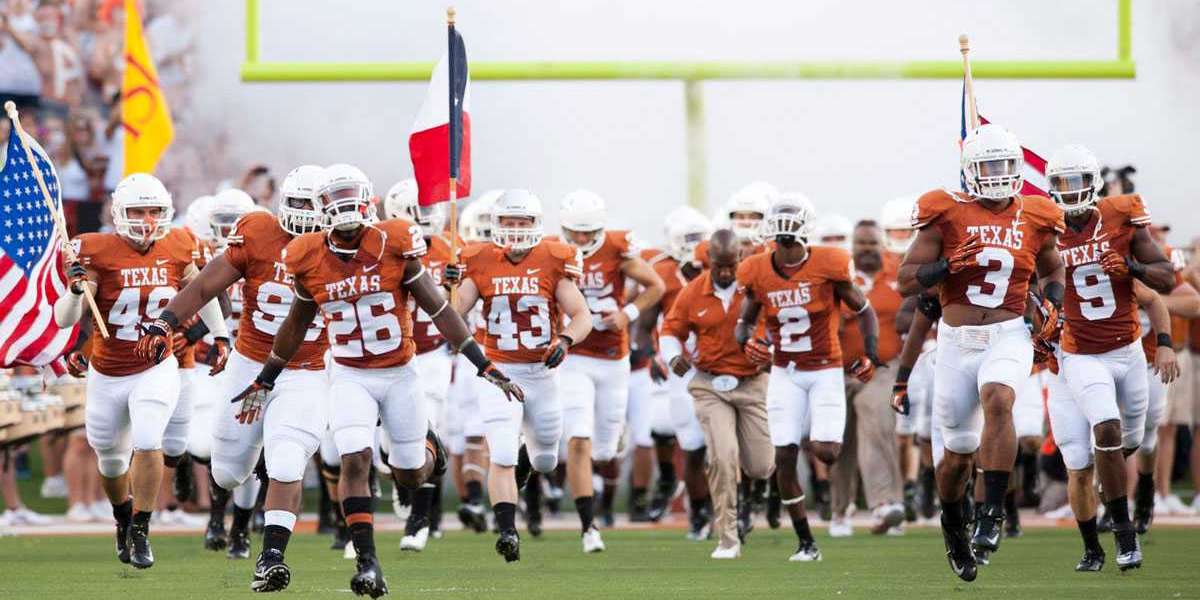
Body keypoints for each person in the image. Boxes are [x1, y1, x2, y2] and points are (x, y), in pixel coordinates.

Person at [225, 165, 519, 596]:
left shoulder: (394, 242)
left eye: (350, 196)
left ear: (368, 201)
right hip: (348, 374)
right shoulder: (307, 254)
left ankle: (428, 447)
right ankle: (367, 562)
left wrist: (482, 363)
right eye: (335, 197)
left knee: (410, 475)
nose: (344, 206)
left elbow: (439, 310)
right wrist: (266, 378)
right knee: (355, 459)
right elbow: (294, 325)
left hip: (399, 373)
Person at [134, 166, 329, 591]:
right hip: (248, 361)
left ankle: (272, 556)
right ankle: (246, 466)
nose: (306, 214)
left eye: (314, 205)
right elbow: (205, 286)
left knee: (288, 456)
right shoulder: (257, 232)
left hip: (308, 369)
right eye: (298, 203)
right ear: (282, 204)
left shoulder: (346, 245)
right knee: (226, 471)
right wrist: (166, 321)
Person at [897, 123, 1066, 582]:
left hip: (1009, 331)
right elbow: (905, 279)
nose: (998, 174)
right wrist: (950, 264)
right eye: (989, 165)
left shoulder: (1035, 214)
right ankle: (953, 524)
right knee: (956, 455)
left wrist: (1055, 303)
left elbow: (1054, 267)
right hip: (957, 339)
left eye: (1006, 165)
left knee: (1000, 399)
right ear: (971, 169)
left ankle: (992, 511)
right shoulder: (946, 212)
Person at [55, 173, 229, 569]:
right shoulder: (97, 250)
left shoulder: (179, 243)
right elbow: (65, 319)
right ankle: (122, 516)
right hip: (108, 371)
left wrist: (220, 336)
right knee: (111, 461)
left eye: (154, 211)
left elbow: (200, 291)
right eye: (138, 211)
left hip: (155, 364)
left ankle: (141, 528)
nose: (147, 220)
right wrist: (75, 291)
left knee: (149, 439)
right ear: (119, 213)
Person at [1041, 144, 1177, 572]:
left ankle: (1128, 507)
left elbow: (1166, 278)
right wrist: (1041, 316)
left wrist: (1131, 267)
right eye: (1062, 183)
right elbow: (1031, 280)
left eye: (1077, 181)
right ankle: (1122, 534)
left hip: (1128, 348)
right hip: (1080, 352)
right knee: (1105, 428)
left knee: (1128, 441)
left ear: (1094, 182)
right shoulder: (1045, 228)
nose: (1071, 191)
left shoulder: (1122, 216)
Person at [446, 189, 593, 562]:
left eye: (521, 222)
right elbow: (454, 314)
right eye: (507, 222)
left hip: (541, 373)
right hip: (498, 370)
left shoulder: (553, 259)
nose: (514, 229)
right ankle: (508, 530)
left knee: (545, 457)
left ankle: (530, 465)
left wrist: (565, 339)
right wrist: (449, 288)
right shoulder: (478, 260)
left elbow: (582, 314)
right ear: (495, 225)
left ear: (535, 225)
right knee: (502, 450)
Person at [736, 194, 881, 561]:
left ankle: (820, 497)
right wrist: (747, 344)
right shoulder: (757, 269)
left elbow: (866, 312)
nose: (784, 236)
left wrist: (871, 354)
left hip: (825, 370)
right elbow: (744, 322)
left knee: (827, 452)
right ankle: (806, 542)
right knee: (783, 454)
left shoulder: (829, 264)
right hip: (784, 370)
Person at [554, 189, 664, 550]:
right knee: (579, 437)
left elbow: (655, 285)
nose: (582, 240)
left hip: (613, 358)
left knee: (604, 449)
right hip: (574, 356)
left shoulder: (617, 247)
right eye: (576, 232)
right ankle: (589, 527)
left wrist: (627, 314)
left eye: (588, 232)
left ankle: (604, 473)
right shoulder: (553, 250)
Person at [660, 228, 772, 559]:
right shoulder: (693, 291)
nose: (725, 272)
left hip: (751, 382)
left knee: (761, 465)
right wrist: (673, 356)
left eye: (730, 265)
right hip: (709, 384)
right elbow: (670, 330)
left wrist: (767, 350)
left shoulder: (755, 285)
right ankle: (727, 538)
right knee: (722, 457)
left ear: (741, 258)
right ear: (708, 261)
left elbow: (776, 323)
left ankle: (759, 488)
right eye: (719, 265)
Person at [381, 178, 458, 550]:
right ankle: (400, 480)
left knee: (429, 430)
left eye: (430, 209)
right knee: (390, 444)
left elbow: (451, 308)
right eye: (421, 210)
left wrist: (456, 287)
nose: (430, 217)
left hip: (432, 353)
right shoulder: (384, 247)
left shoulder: (449, 248)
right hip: (394, 355)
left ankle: (420, 519)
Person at [829, 219, 906, 536]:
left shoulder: (899, 272)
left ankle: (884, 503)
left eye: (873, 243)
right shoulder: (839, 275)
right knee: (837, 441)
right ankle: (839, 510)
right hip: (838, 369)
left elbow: (916, 311)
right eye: (861, 244)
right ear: (852, 246)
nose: (867, 250)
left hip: (883, 366)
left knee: (876, 417)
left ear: (883, 243)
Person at [642, 206, 714, 538]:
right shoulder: (660, 272)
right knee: (690, 442)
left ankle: (740, 506)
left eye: (701, 238)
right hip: (678, 366)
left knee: (728, 445)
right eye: (690, 239)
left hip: (719, 364)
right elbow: (644, 324)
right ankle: (698, 509)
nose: (696, 244)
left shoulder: (723, 268)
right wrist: (651, 356)